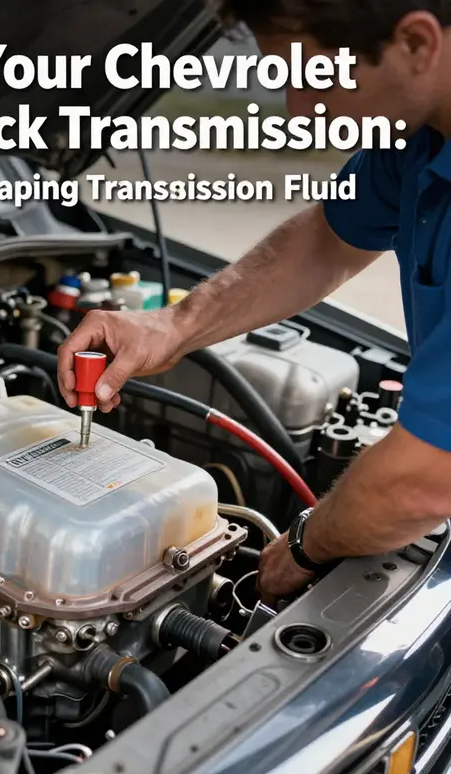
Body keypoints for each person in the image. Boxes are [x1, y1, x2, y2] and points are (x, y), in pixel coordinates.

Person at [57, 0, 451, 604]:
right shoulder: (417, 140)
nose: (298, 107)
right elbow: (327, 239)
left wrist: (306, 545)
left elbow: (423, 482)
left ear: (418, 45)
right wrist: (172, 325)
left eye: (314, 77)